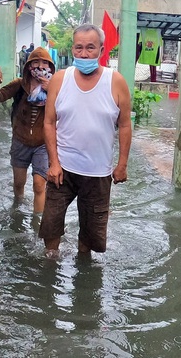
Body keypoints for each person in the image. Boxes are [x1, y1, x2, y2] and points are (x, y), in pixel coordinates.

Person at [38, 23, 132, 256]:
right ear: (72, 50)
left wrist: (122, 165)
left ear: (101, 50)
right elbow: (49, 122)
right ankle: (50, 265)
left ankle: (84, 271)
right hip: (63, 170)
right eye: (78, 47)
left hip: (98, 173)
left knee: (90, 237)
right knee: (50, 225)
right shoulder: (60, 79)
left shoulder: (116, 81)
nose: (84, 53)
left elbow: (125, 125)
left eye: (90, 47)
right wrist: (53, 163)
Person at [0, 46, 55, 214]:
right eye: (36, 62)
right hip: (20, 141)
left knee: (39, 184)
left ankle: (37, 223)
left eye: (44, 63)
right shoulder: (20, 84)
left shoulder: (55, 87)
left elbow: (65, 110)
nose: (40, 66)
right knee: (19, 183)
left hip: (42, 143)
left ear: (50, 67)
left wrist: (52, 91)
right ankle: (17, 211)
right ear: (28, 66)